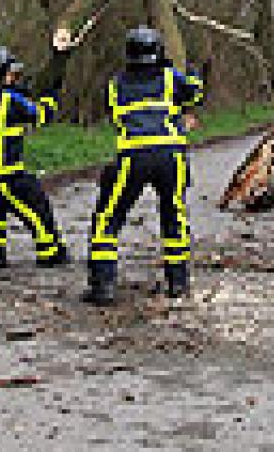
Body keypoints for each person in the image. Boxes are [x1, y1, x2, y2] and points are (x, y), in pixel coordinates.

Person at [84, 26, 205, 307]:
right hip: (170, 156)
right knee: (173, 216)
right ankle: (178, 282)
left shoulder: (115, 85)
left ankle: (103, 285)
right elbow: (193, 95)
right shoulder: (169, 77)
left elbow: (116, 119)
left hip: (132, 156)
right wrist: (195, 75)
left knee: (108, 218)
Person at [0, 44, 71, 272]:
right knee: (36, 207)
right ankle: (51, 252)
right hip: (1, 175)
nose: (15, 77)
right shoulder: (8, 100)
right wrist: (52, 94)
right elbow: (41, 116)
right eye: (10, 73)